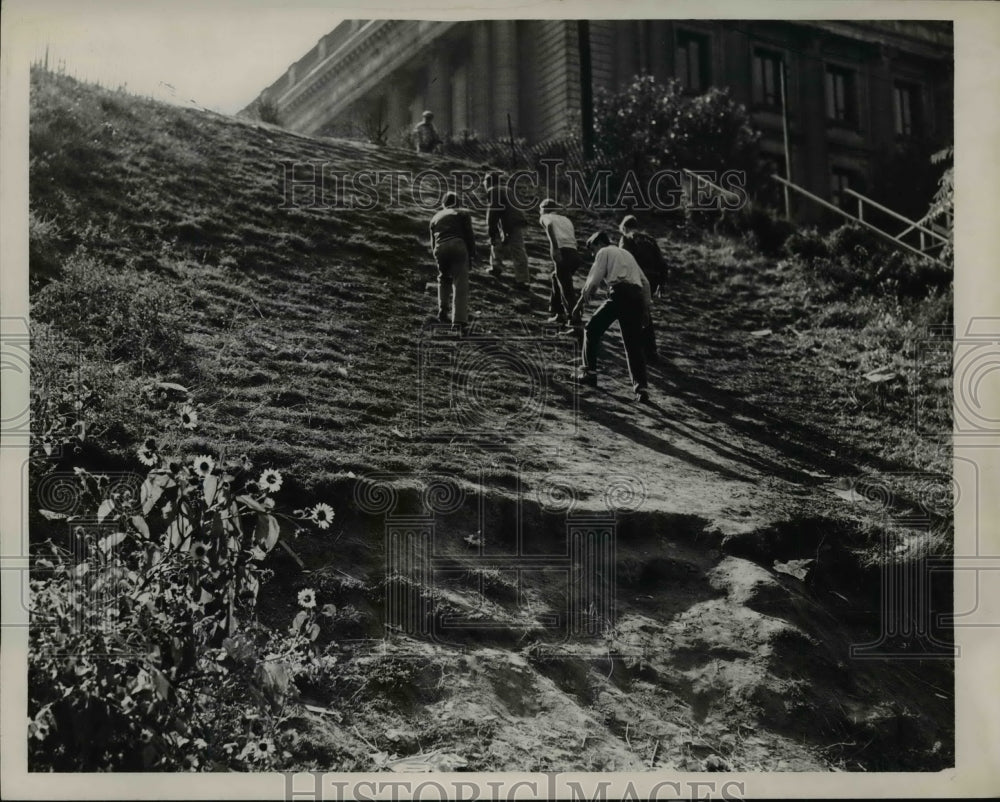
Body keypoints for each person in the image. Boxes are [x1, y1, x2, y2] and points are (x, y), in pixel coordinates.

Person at [571, 231, 653, 403]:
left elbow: (593, 281)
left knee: (591, 330)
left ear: (600, 243)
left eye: (593, 249)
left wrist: (580, 304)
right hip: (636, 298)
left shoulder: (605, 252)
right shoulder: (627, 254)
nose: (593, 254)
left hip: (620, 294)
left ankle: (589, 373)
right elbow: (645, 282)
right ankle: (641, 388)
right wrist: (645, 310)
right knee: (633, 345)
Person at [617, 215, 669, 361]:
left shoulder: (626, 238)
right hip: (653, 279)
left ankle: (647, 349)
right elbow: (663, 263)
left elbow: (624, 259)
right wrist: (662, 283)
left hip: (638, 277)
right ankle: (649, 349)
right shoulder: (651, 240)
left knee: (637, 312)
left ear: (624, 228)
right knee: (642, 310)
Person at [428, 191, 476, 332]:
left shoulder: (435, 217)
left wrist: (437, 255)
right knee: (460, 282)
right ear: (458, 202)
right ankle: (459, 320)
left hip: (440, 247)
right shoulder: (462, 213)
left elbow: (432, 242)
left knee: (443, 278)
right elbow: (469, 234)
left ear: (444, 204)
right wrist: (472, 254)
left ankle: (443, 309)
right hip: (457, 245)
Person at [538, 198, 582, 327]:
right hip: (574, 253)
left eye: (540, 209)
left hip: (563, 251)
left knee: (566, 288)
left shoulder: (545, 217)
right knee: (556, 277)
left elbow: (550, 225)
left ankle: (574, 320)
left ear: (544, 209)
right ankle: (558, 313)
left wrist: (555, 248)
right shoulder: (566, 219)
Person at [483, 172, 530, 287]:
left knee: (515, 249)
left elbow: (493, 211)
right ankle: (497, 267)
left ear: (488, 182)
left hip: (511, 221)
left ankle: (521, 281)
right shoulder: (506, 189)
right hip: (511, 220)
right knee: (503, 244)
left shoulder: (494, 190)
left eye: (485, 182)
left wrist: (491, 228)